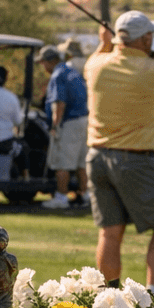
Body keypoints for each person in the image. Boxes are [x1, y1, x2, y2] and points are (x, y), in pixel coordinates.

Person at [85, 10, 154, 302]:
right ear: (146, 38)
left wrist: (105, 43)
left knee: (110, 232)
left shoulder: (96, 65)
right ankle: (153, 296)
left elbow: (99, 56)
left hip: (97, 158)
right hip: (136, 160)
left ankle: (109, 299)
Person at [38, 43, 90, 209]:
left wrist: (55, 125)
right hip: (84, 120)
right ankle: (86, 195)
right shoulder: (72, 71)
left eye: (43, 62)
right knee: (81, 163)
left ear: (49, 61)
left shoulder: (58, 75)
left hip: (69, 122)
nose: (43, 66)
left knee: (62, 163)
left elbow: (60, 103)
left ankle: (61, 197)